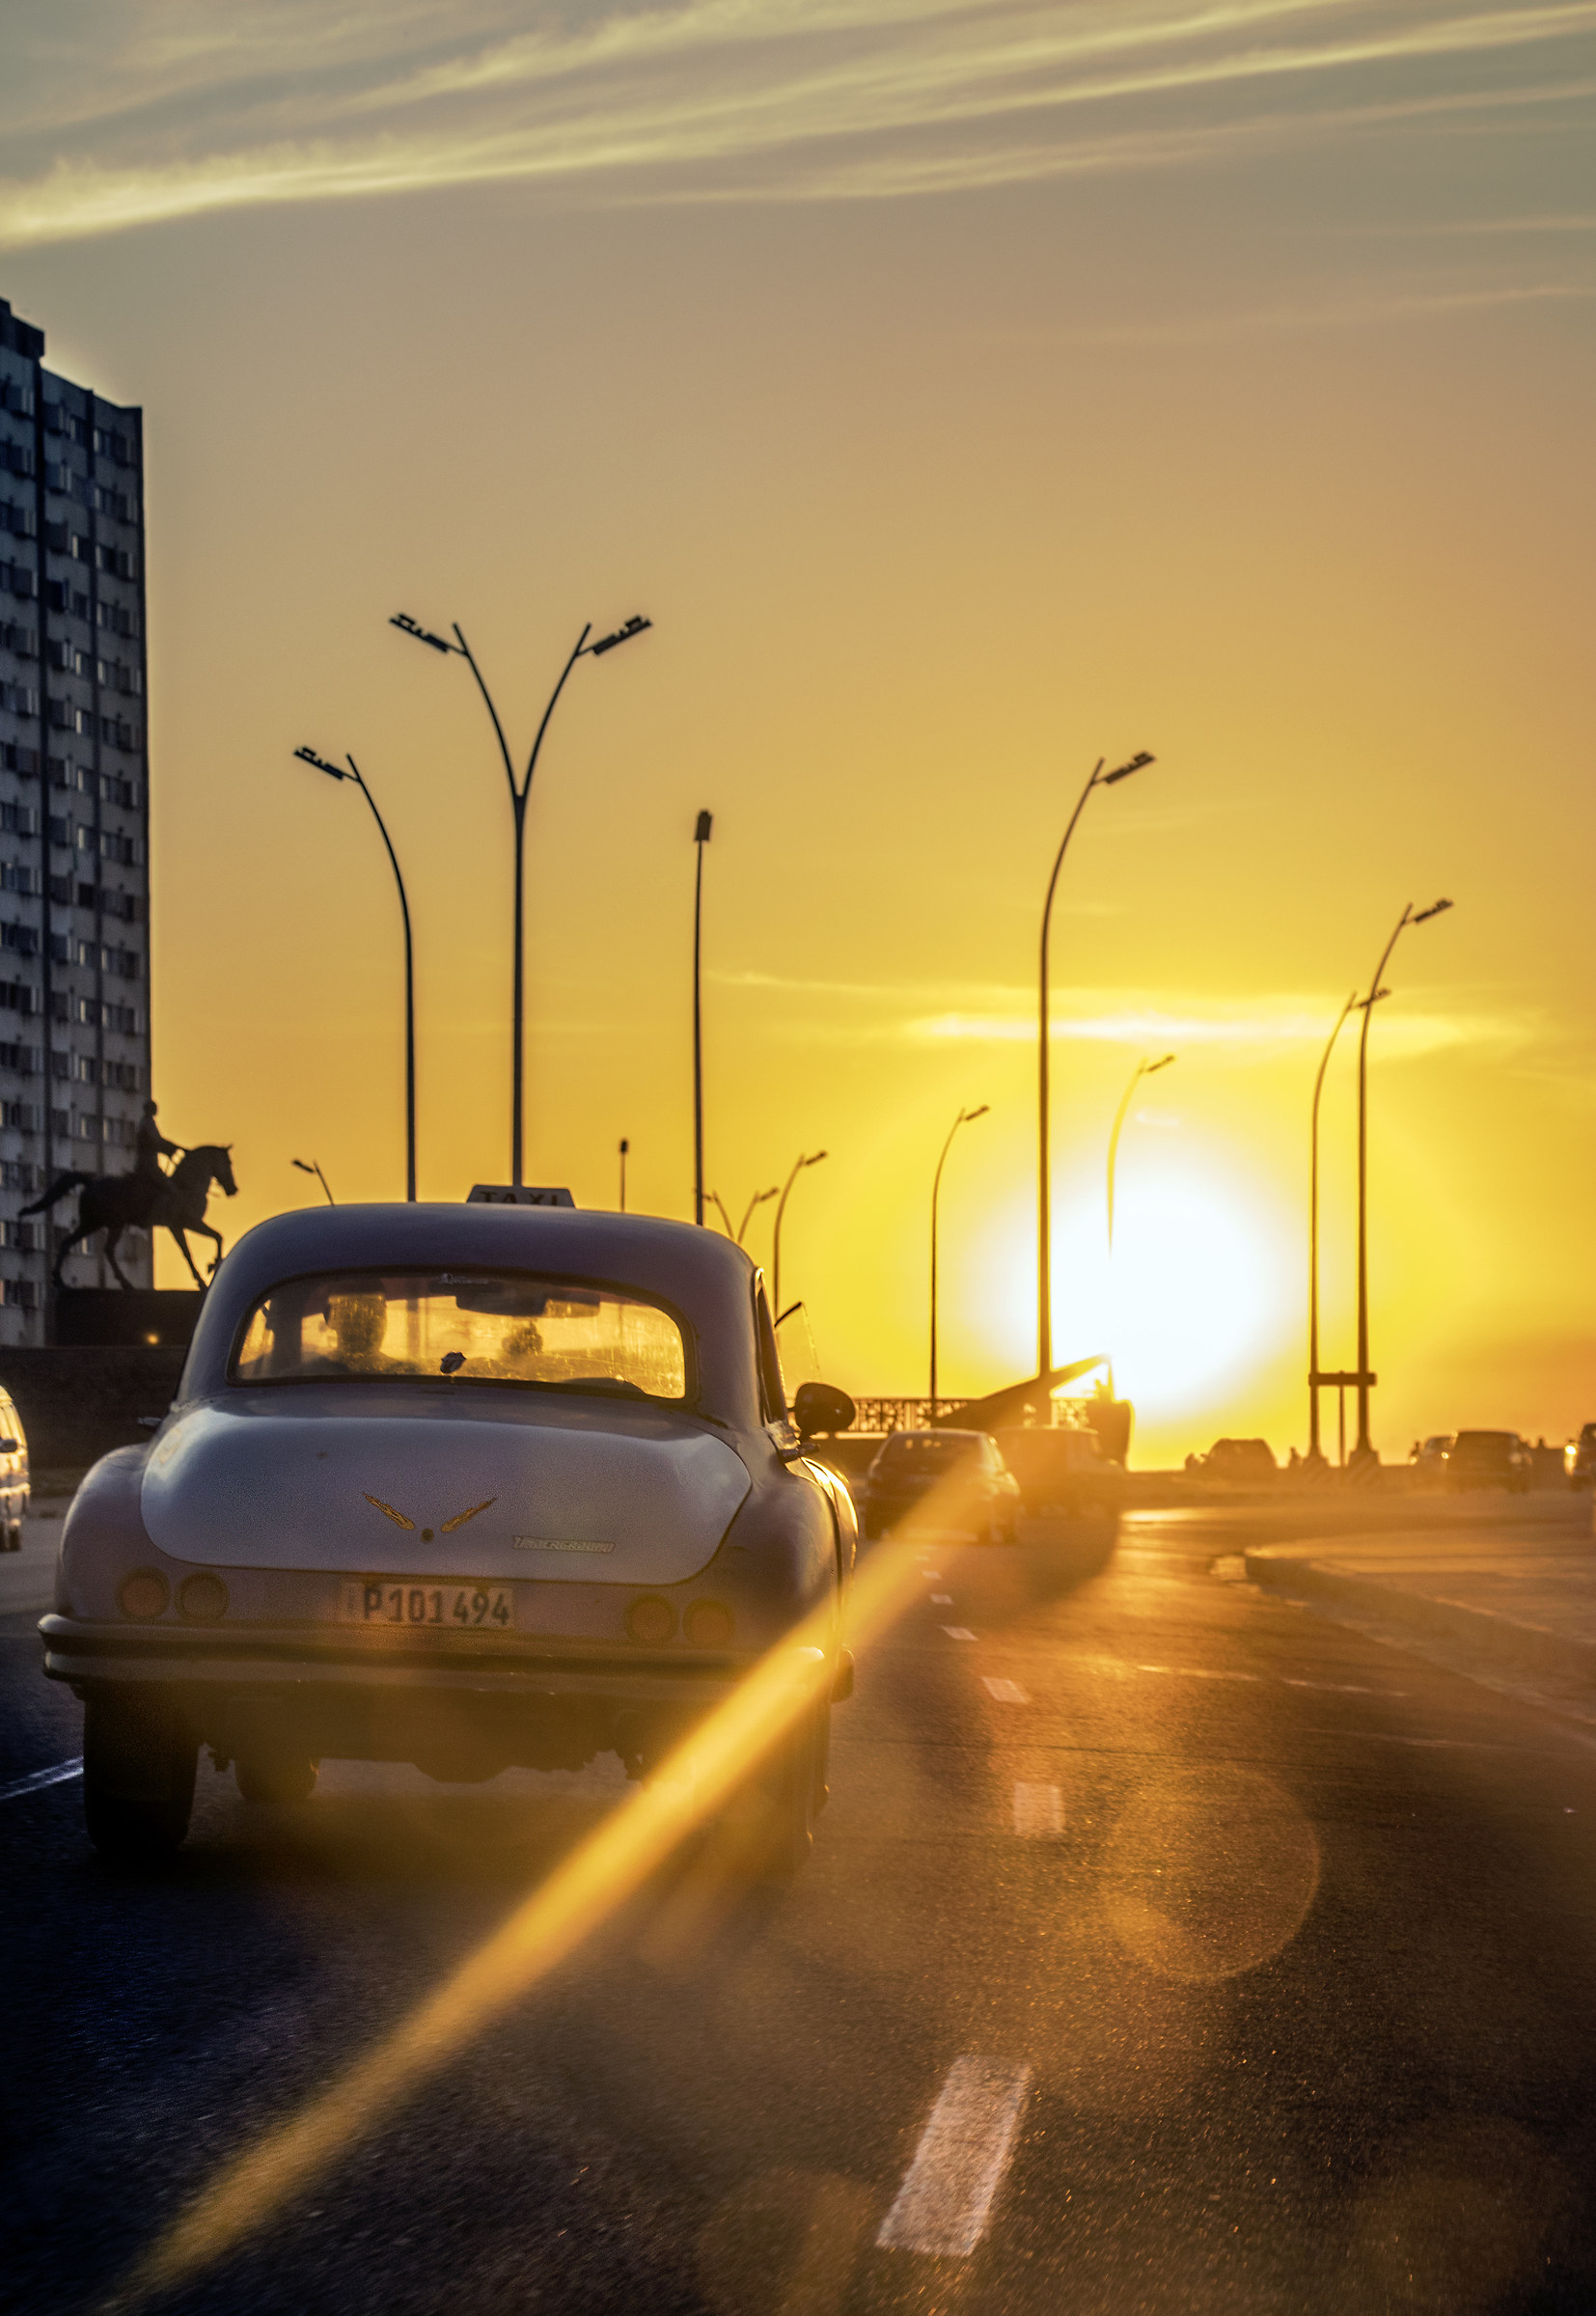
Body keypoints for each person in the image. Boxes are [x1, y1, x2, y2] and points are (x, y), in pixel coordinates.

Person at [132, 1099, 183, 1189]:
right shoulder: (148, 1123)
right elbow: (156, 1140)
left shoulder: (146, 1122)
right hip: (148, 1161)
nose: (157, 1110)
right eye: (155, 1108)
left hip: (147, 1159)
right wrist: (171, 1147)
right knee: (165, 1184)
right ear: (150, 1110)